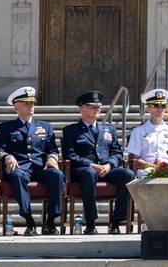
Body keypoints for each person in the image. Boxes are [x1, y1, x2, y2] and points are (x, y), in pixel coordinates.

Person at [0, 86, 64, 235]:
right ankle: (29, 220)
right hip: (19, 168)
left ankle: (51, 221)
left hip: (39, 168)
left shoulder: (45, 126)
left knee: (58, 175)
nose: (31, 106)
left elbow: (52, 149)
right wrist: (7, 156)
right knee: (17, 176)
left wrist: (51, 158)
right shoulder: (6, 127)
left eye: (32, 103)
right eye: (26, 103)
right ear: (16, 107)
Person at [61, 90, 135, 235]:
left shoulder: (109, 129)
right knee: (89, 174)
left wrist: (109, 165)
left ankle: (116, 222)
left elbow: (117, 152)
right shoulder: (72, 130)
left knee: (128, 174)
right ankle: (90, 223)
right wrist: (91, 165)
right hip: (83, 170)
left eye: (98, 107)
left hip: (106, 169)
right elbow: (70, 155)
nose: (97, 110)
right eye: (92, 107)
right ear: (82, 109)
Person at [126, 89, 168, 178]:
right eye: (156, 105)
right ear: (148, 108)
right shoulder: (138, 131)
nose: (160, 109)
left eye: (163, 106)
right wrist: (154, 167)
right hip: (147, 170)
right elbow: (135, 159)